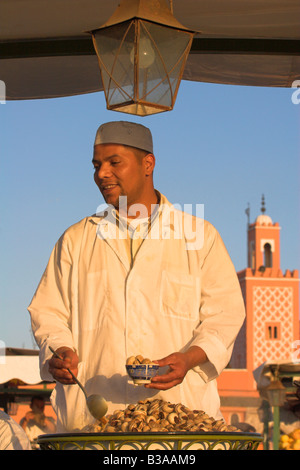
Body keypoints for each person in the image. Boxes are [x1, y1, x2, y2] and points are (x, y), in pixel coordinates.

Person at [28, 121, 245, 432]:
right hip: (93, 424)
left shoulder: (199, 236)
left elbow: (224, 316)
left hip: (180, 419)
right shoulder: (76, 240)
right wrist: (61, 351)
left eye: (114, 162)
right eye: (96, 165)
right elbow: (48, 313)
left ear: (148, 164)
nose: (101, 174)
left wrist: (188, 360)